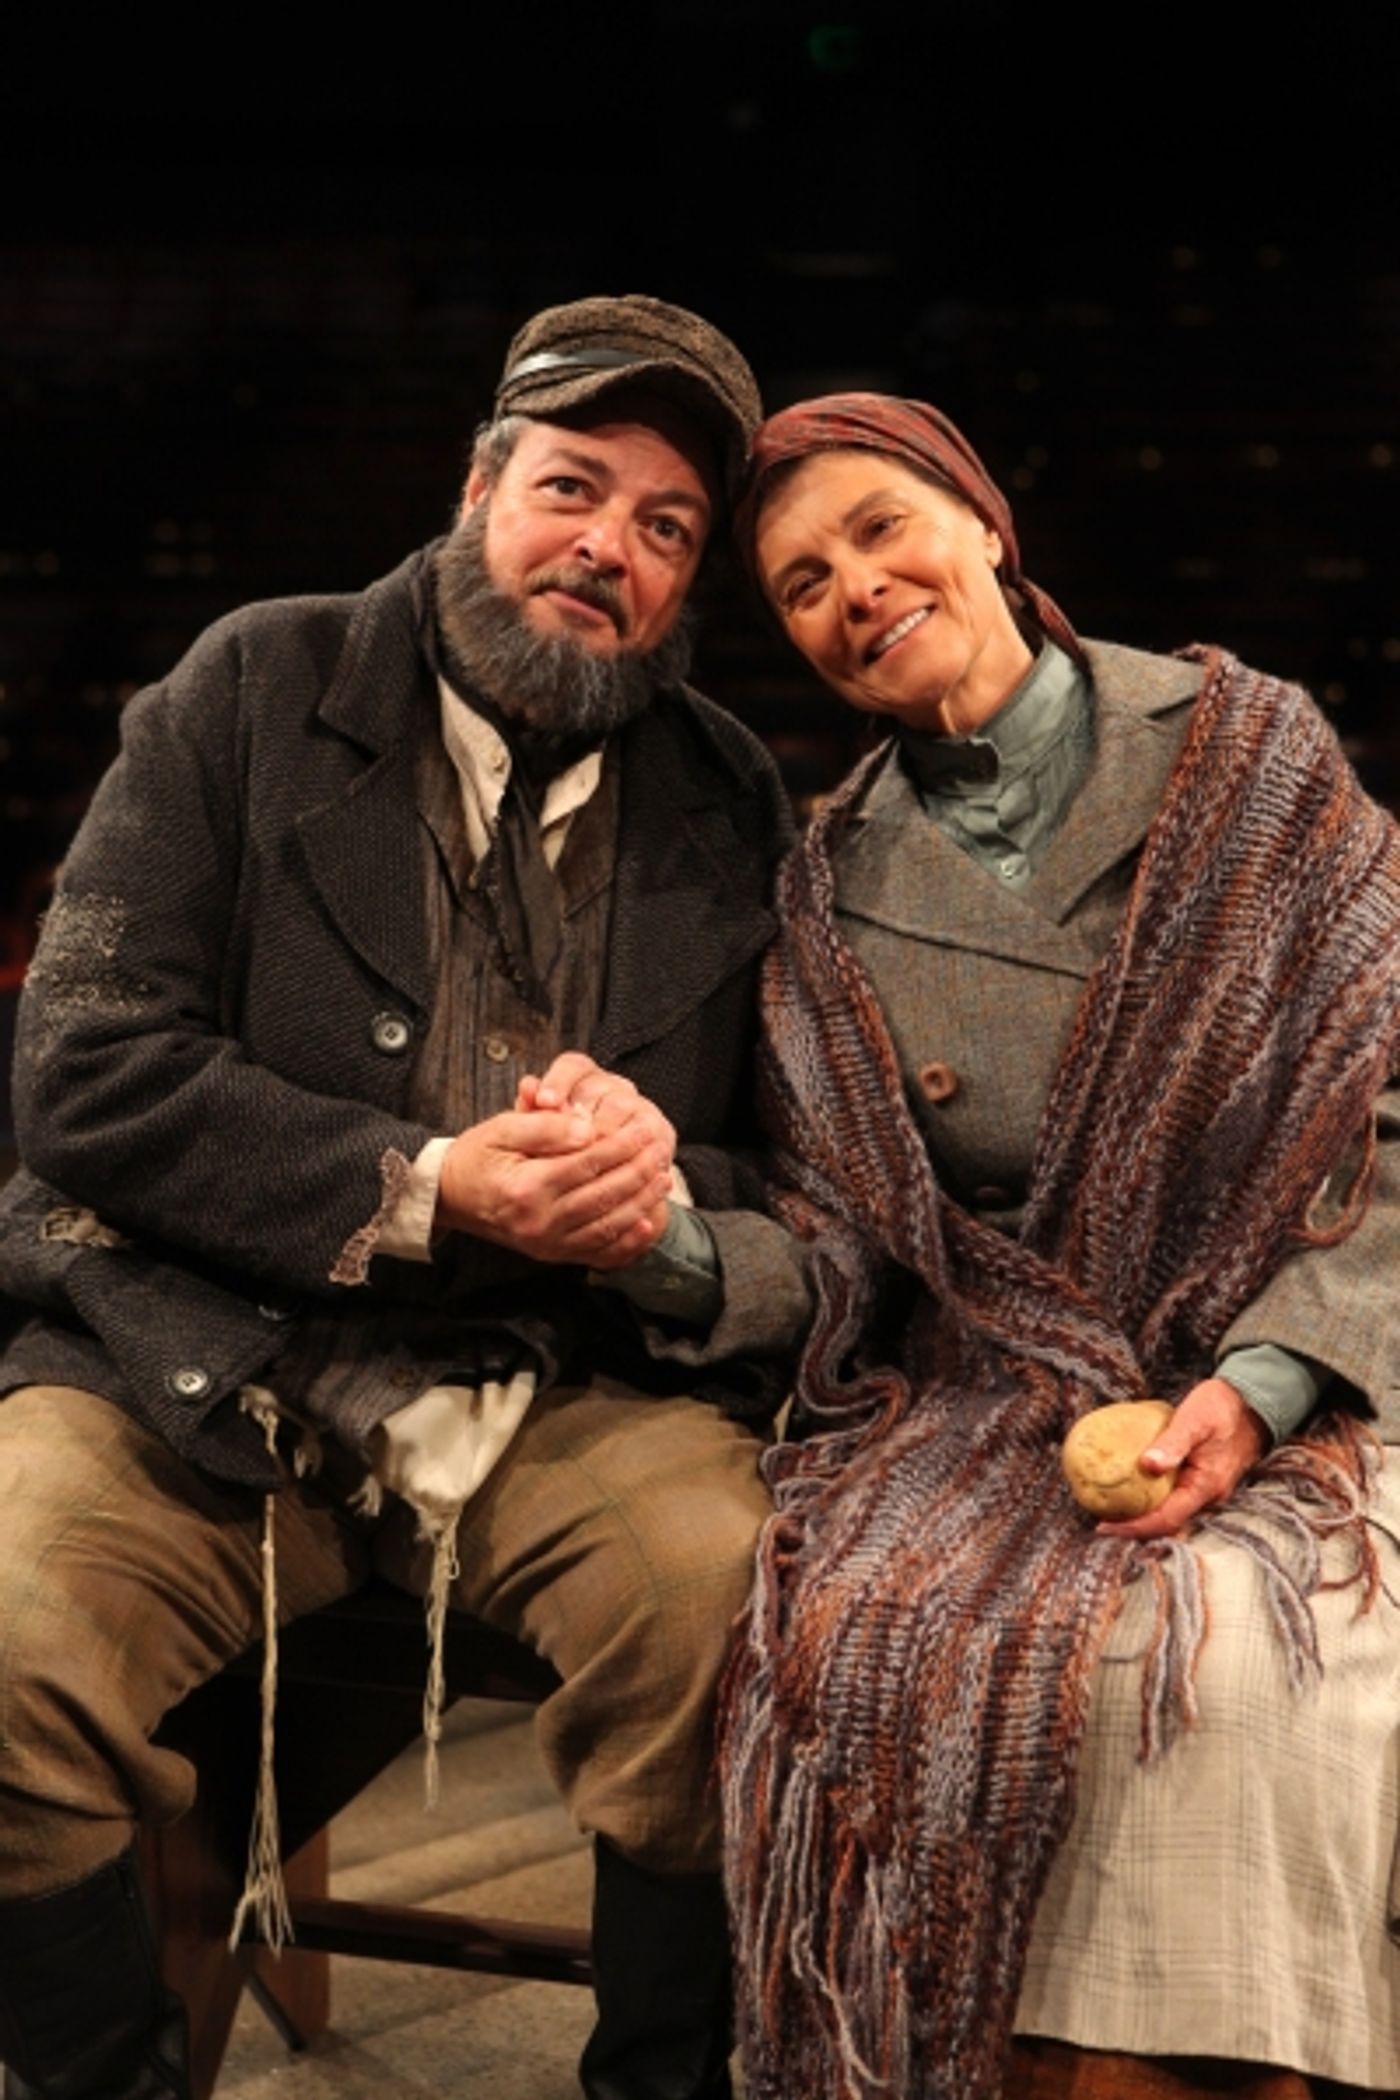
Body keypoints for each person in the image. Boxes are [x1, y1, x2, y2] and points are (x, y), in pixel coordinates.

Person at [0, 294, 811, 2100]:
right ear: (477, 486)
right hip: (197, 1354)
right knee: (1, 1642)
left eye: (667, 528)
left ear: (691, 588)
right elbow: (82, 1069)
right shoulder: (250, 685)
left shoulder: (731, 795)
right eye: (572, 488)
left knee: (734, 1609)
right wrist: (431, 1185)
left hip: (564, 1375)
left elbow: (796, 1180)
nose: (607, 548)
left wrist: (655, 1198)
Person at [717, 393, 1400, 2100]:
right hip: (995, 1394)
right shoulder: (825, 888)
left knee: (1234, 1668)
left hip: (1318, 1368)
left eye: (881, 530)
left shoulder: (1251, 754)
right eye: (803, 584)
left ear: (986, 522)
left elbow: (1384, 1126)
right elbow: (845, 1242)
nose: (854, 589)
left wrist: (1256, 1386)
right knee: (877, 1642)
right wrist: (665, 1241)